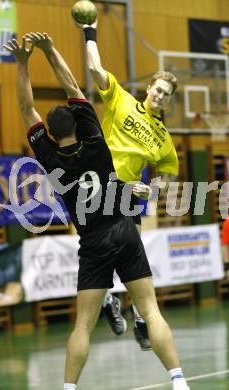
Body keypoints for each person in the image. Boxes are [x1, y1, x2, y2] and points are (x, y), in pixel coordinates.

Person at [3, 33, 189, 390]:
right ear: (80, 124)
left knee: (81, 326)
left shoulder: (49, 156)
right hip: (123, 227)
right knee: (152, 311)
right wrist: (47, 50)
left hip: (92, 242)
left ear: (52, 134)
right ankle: (179, 381)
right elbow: (71, 82)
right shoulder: (97, 143)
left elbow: (27, 109)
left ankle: (69, 387)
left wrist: (21, 65)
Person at [75, 21, 179, 350]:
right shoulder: (121, 99)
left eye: (166, 94)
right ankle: (111, 301)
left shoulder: (163, 138)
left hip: (128, 195)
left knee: (132, 256)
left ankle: (135, 316)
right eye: (158, 89)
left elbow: (168, 173)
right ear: (149, 87)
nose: (160, 96)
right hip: (96, 184)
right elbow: (94, 66)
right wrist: (90, 31)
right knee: (100, 250)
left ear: (169, 100)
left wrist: (156, 189)